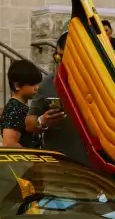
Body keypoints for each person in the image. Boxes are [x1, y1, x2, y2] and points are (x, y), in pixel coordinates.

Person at [27, 33, 79, 162]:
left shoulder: (101, 83)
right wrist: (42, 122)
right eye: (58, 57)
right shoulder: (48, 83)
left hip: (93, 165)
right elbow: (29, 124)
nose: (62, 63)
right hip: (58, 161)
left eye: (67, 57)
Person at [1, 60, 50, 148]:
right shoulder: (14, 108)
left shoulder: (20, 106)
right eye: (32, 84)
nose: (37, 88)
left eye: (37, 83)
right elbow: (9, 144)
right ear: (17, 85)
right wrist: (31, 155)